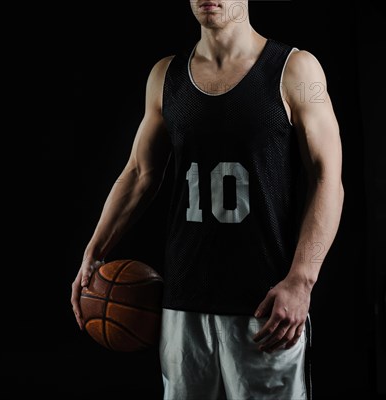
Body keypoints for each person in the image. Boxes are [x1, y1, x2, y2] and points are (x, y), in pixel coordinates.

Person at [71, 1, 344, 399]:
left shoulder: (296, 69)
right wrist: (94, 251)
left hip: (266, 306)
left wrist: (302, 280)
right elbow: (138, 174)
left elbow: (328, 179)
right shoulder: (166, 75)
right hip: (181, 303)